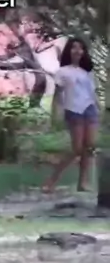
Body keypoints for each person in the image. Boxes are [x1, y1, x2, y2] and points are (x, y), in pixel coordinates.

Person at [43, 37, 99, 194]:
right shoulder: (62, 72)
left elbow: (92, 93)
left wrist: (98, 107)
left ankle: (83, 183)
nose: (77, 50)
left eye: (80, 48)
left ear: (83, 52)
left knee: (89, 147)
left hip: (90, 110)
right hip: (74, 111)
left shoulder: (87, 72)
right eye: (74, 47)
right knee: (77, 149)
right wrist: (55, 113)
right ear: (69, 51)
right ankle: (51, 181)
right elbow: (57, 95)